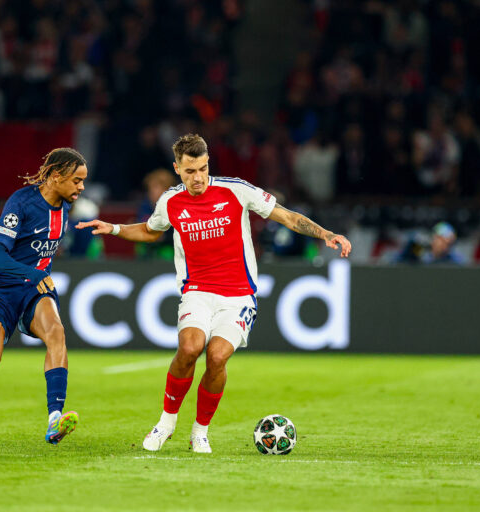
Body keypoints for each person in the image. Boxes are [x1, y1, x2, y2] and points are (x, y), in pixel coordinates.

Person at [76, 134, 352, 453]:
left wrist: (326, 233)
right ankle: (165, 424)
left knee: (218, 356)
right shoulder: (170, 201)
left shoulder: (236, 190)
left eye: (203, 169)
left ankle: (200, 431)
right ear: (178, 169)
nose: (198, 178)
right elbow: (152, 231)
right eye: (190, 171)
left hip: (239, 295)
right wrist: (113, 229)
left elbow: (287, 216)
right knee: (190, 347)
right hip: (197, 290)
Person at [0, 148, 88, 449]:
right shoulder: (21, 203)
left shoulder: (64, 207)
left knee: (56, 332)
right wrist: (33, 273)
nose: (81, 187)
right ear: (55, 176)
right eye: (76, 180)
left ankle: (54, 420)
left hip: (32, 290)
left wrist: (35, 276)